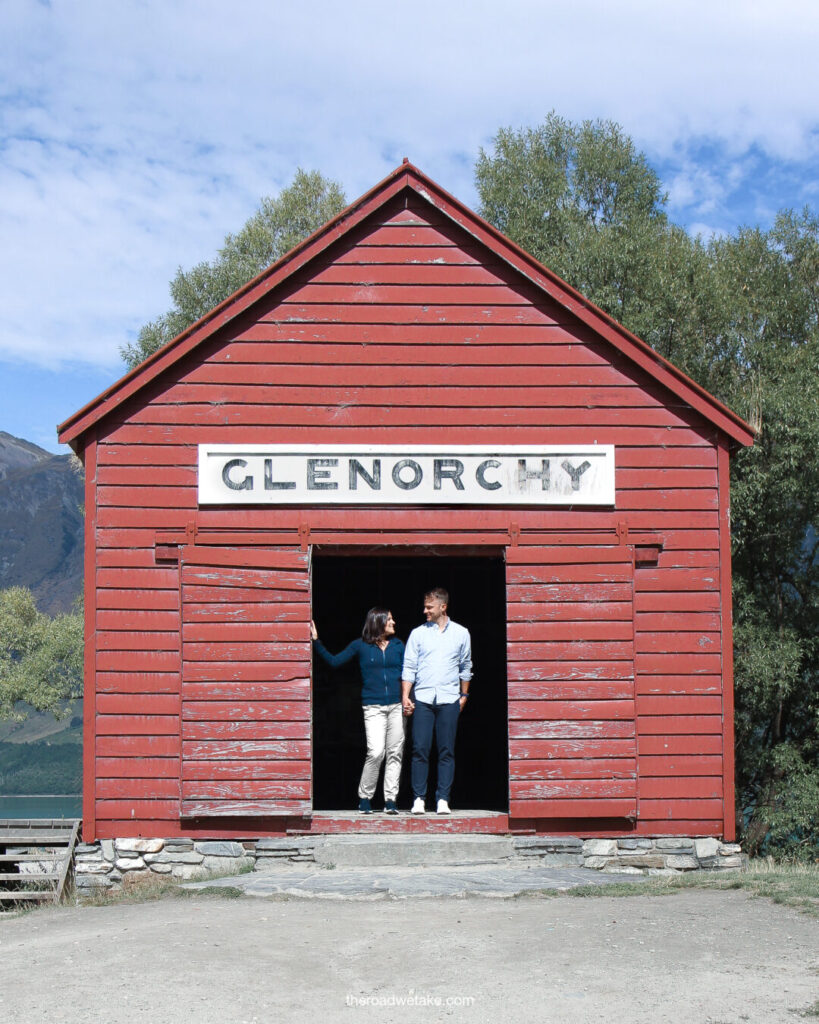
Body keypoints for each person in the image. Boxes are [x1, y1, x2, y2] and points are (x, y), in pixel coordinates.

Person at [311, 608, 405, 814]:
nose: (394, 622)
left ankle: (390, 800)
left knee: (395, 753)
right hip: (373, 707)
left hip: (396, 706)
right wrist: (316, 641)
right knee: (376, 751)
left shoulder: (398, 646)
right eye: (389, 619)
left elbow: (409, 673)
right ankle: (365, 797)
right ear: (378, 622)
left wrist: (408, 698)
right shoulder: (360, 646)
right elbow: (335, 662)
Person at [401, 587, 472, 815]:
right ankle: (419, 798)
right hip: (422, 698)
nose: (425, 611)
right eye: (425, 607)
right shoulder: (417, 634)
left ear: (443, 606)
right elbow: (409, 667)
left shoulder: (461, 633)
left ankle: (443, 799)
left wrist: (464, 696)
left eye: (429, 607)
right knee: (420, 748)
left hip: (450, 698)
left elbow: (466, 666)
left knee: (446, 750)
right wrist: (405, 696)